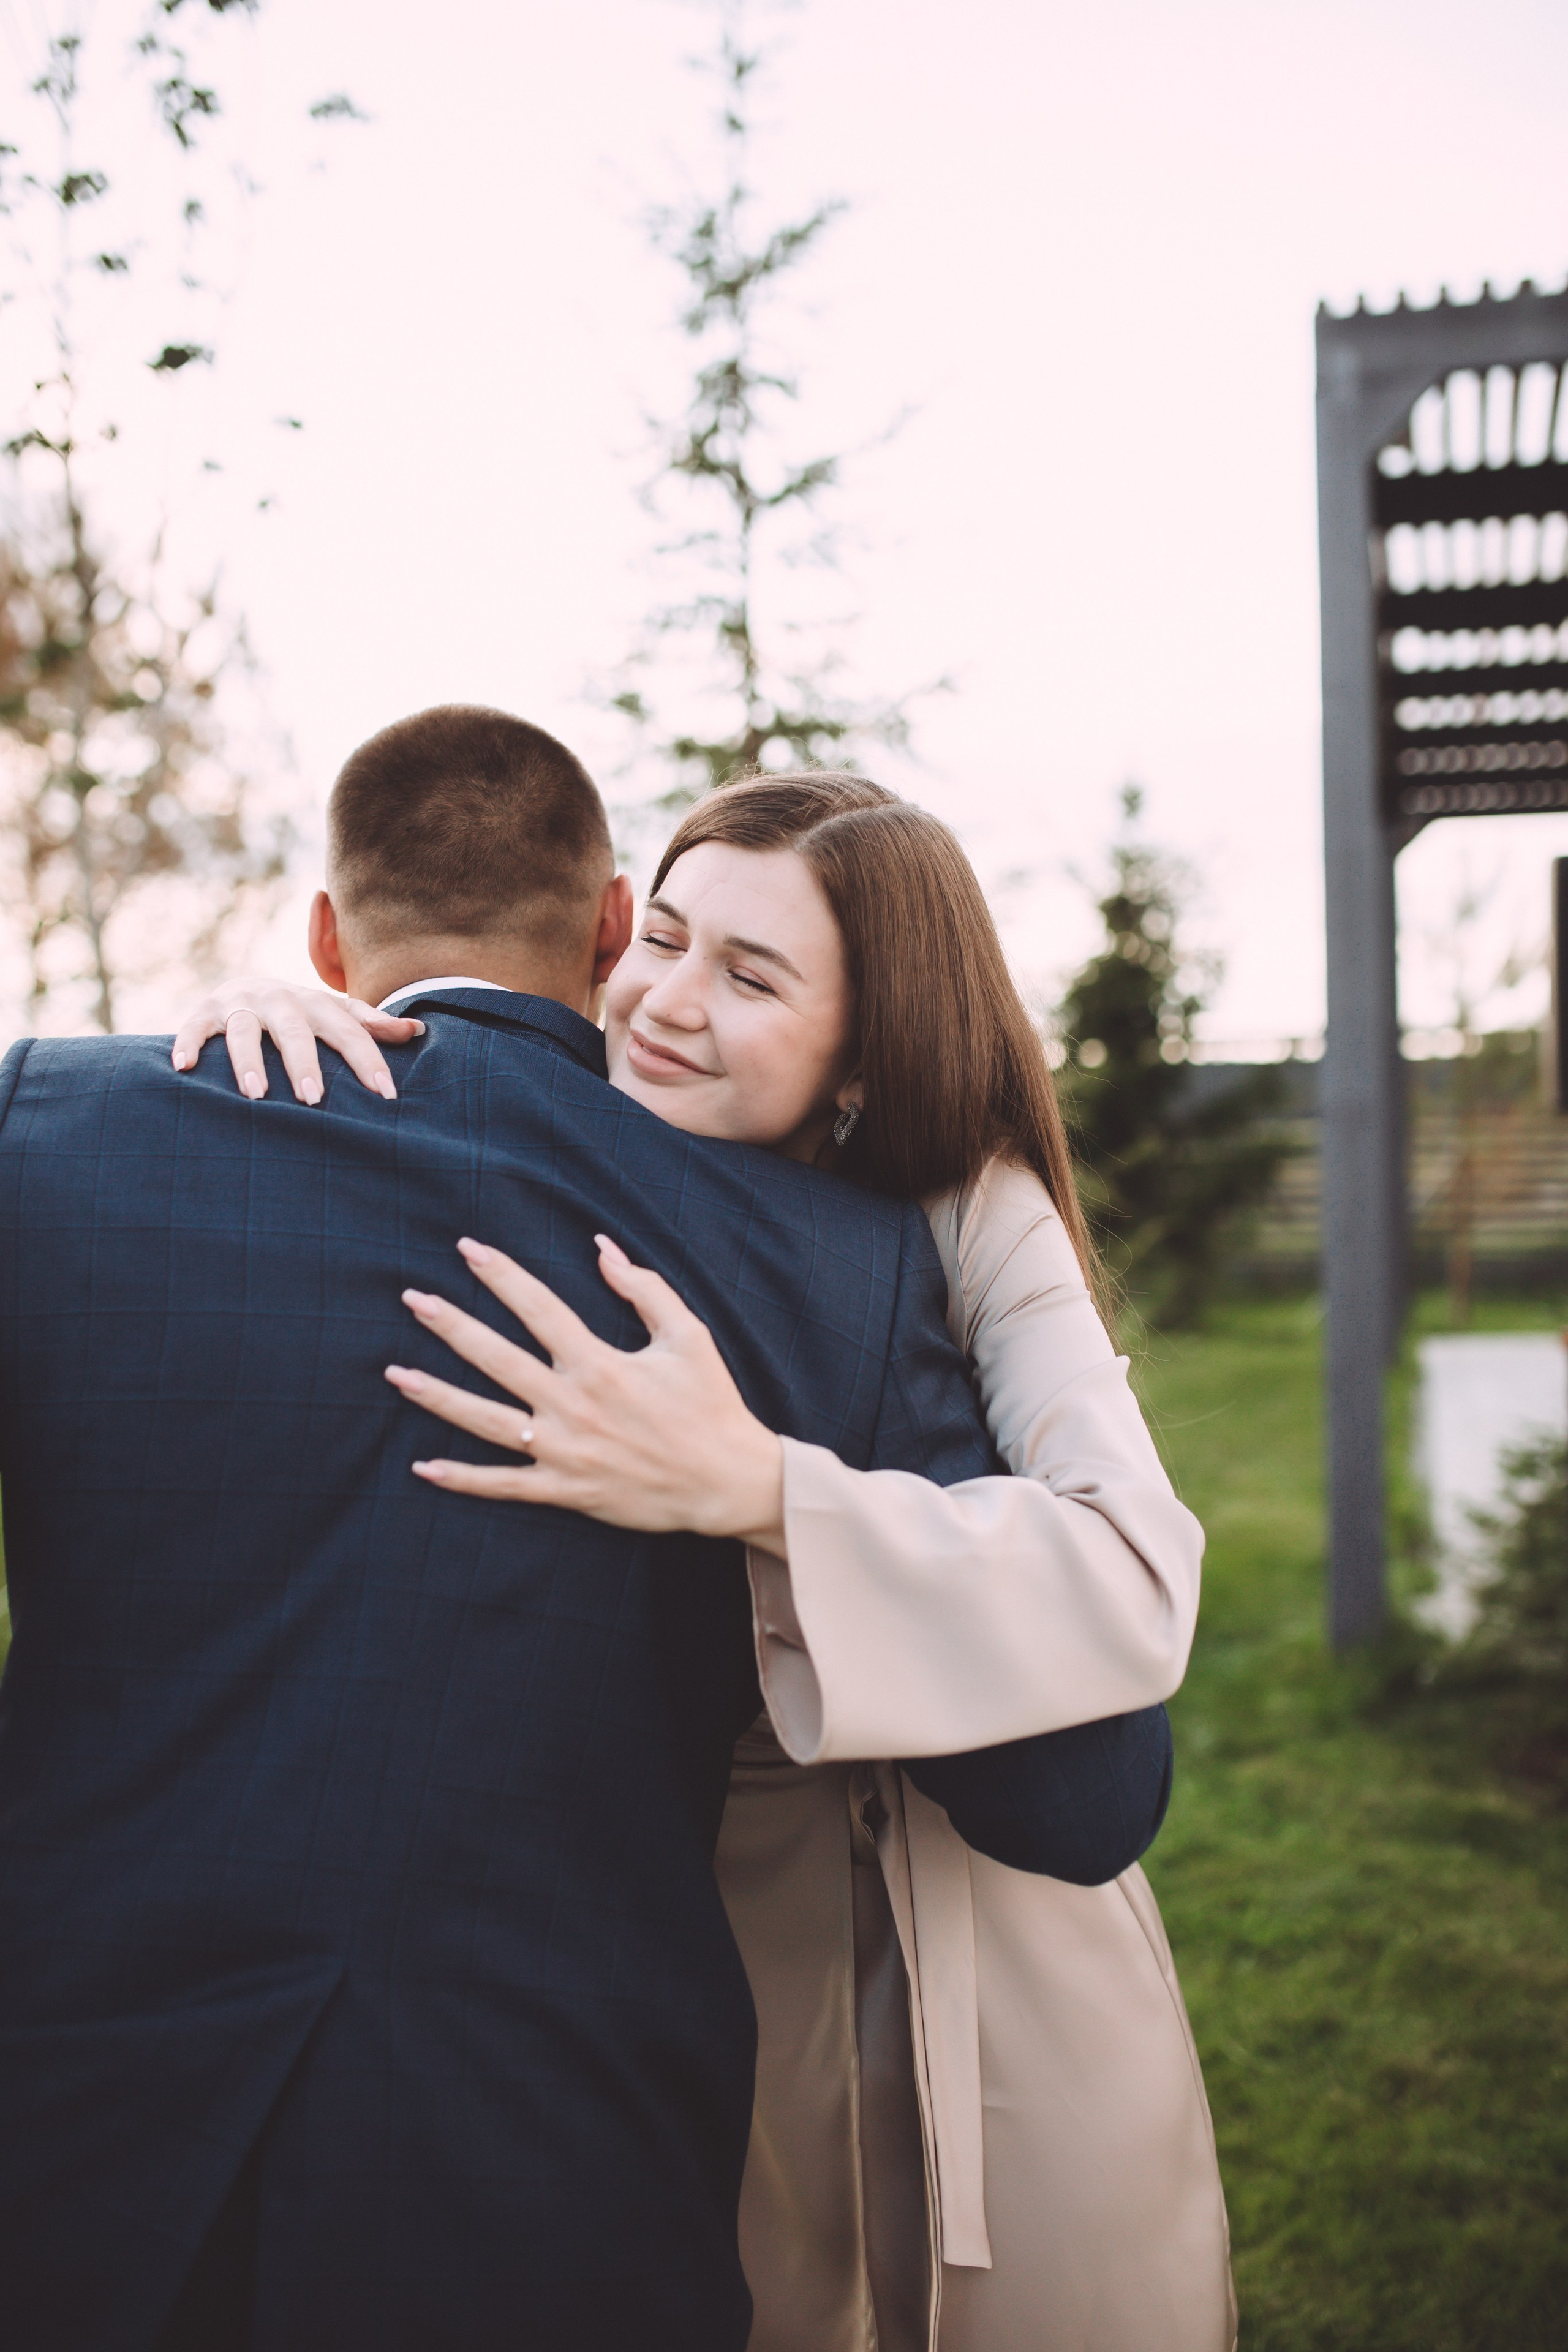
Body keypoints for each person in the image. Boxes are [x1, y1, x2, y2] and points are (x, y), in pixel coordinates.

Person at [0, 709, 1172, 2352]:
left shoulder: (49, 1132)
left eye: (753, 978)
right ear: (619, 922)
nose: (677, 1000)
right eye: (675, 944)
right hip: (552, 2179)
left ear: (327, 936)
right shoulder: (840, 1270)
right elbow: (1083, 1793)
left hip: (71, 2139)